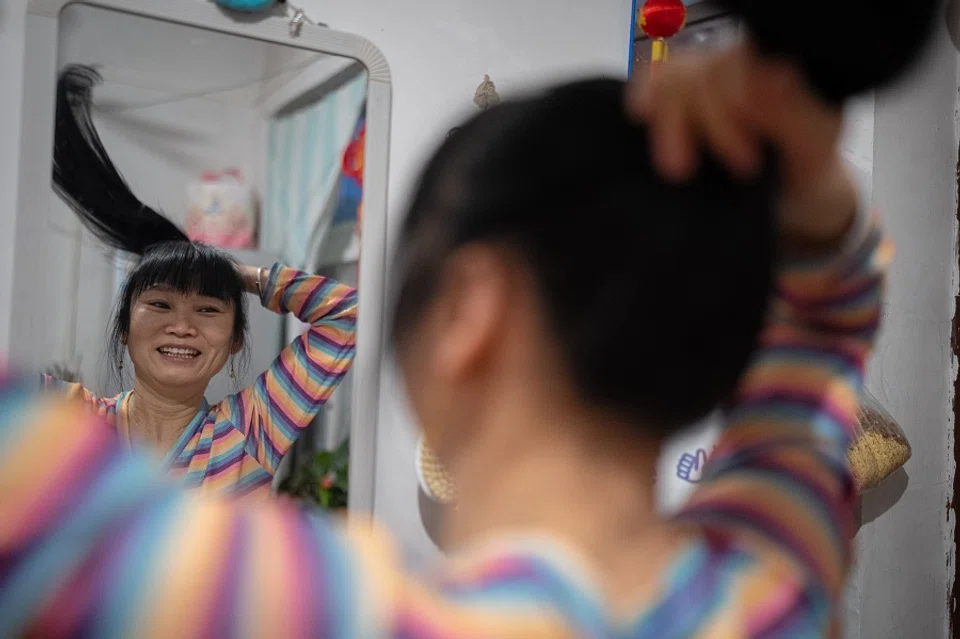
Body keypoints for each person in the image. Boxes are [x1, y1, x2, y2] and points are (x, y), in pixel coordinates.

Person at [0, 45, 887, 637]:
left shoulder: (324, 607)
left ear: (470, 310)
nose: (184, 326)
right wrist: (818, 208)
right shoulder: (774, 593)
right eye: (160, 309)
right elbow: (816, 376)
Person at [41, 65, 359, 499]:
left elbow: (347, 318)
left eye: (208, 309)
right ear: (123, 328)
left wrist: (238, 274)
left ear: (235, 341)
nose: (183, 326)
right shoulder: (69, 417)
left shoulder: (251, 430)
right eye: (160, 304)